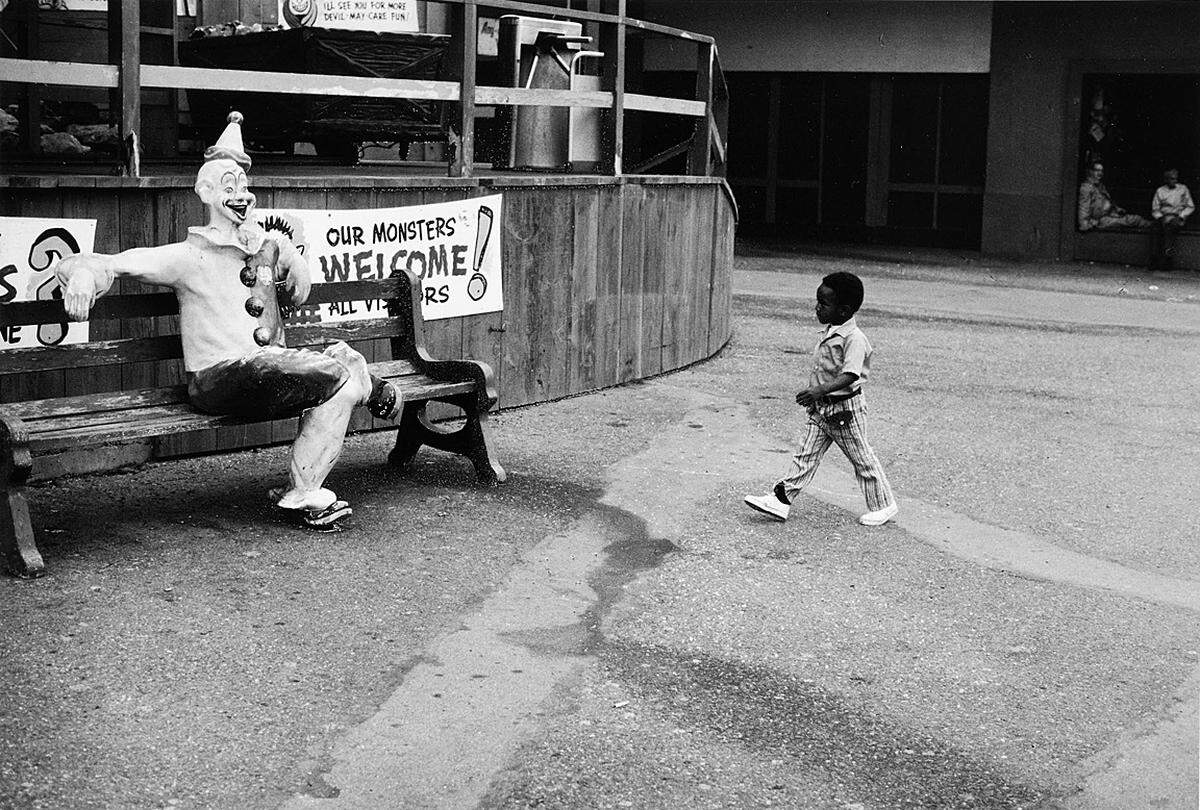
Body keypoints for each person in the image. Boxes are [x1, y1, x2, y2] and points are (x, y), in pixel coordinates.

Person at [54, 112, 401, 529]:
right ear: (206, 191)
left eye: (245, 187)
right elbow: (105, 262)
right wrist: (81, 277)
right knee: (336, 375)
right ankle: (332, 449)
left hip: (265, 367)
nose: (243, 195)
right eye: (230, 187)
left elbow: (284, 251)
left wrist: (298, 265)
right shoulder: (189, 257)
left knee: (344, 363)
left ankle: (307, 484)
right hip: (217, 378)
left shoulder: (261, 246)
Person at [744, 271, 897, 527]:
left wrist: (818, 390)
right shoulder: (831, 331)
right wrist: (816, 396)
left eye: (824, 304)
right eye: (818, 301)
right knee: (805, 455)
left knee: (861, 458)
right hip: (821, 410)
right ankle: (781, 499)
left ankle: (883, 504)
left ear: (844, 310)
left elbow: (850, 374)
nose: (817, 308)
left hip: (844, 412)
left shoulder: (854, 338)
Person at [1077, 160, 1150, 232]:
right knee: (1135, 220)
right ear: (1090, 172)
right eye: (1097, 170)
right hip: (1101, 221)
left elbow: (1106, 201)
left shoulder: (1100, 186)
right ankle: (1153, 225)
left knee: (1135, 218)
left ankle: (1153, 225)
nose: (1100, 173)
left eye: (1101, 171)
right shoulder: (1086, 188)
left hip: (1110, 215)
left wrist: (1117, 209)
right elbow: (1083, 208)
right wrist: (1085, 225)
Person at [1150, 167, 1194, 270]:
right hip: (1163, 217)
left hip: (1177, 217)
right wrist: (1160, 218)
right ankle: (1154, 258)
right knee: (1155, 229)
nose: (1174, 181)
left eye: (1175, 178)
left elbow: (1190, 206)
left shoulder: (1183, 189)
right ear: (1166, 179)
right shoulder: (1160, 191)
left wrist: (1181, 216)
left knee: (1170, 229)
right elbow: (1155, 208)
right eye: (1171, 179)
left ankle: (1167, 259)